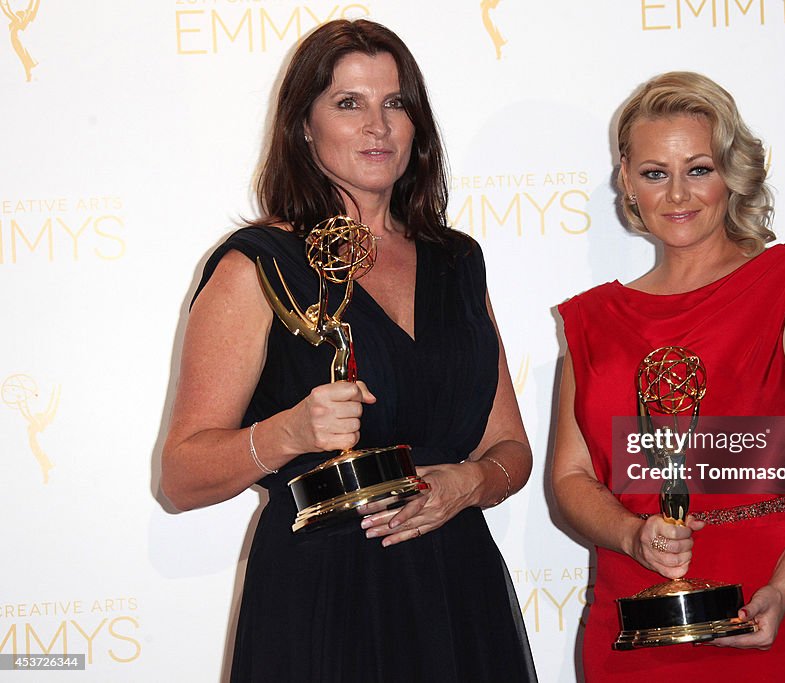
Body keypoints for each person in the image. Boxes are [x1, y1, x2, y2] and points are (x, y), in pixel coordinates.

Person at [161, 19, 536, 682]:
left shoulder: (457, 263)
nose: (378, 126)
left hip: (455, 592)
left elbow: (510, 446)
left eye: (395, 103)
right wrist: (285, 432)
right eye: (348, 103)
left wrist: (470, 482)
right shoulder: (257, 266)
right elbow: (180, 476)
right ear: (303, 126)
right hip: (323, 598)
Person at [551, 72, 785, 681]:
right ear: (626, 179)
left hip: (762, 607)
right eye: (655, 173)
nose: (677, 193)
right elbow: (571, 477)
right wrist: (631, 535)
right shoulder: (592, 319)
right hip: (630, 616)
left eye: (698, 169)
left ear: (731, 174)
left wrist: (784, 589)